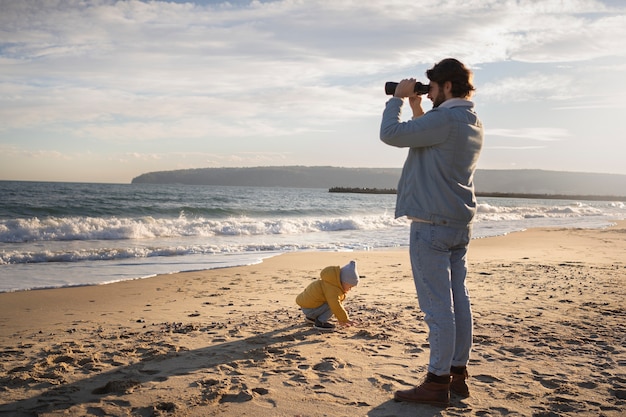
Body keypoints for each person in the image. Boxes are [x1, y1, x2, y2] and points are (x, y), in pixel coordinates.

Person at [379, 58, 484, 407]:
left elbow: (390, 135)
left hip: (431, 226)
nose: (431, 93)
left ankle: (436, 381)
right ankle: (457, 373)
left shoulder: (446, 119)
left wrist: (396, 99)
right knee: (458, 301)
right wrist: (416, 105)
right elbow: (430, 140)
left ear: (448, 87)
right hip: (457, 223)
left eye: (433, 88)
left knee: (438, 307)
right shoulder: (469, 121)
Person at [295, 260, 359, 331]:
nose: (350, 289)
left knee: (332, 303)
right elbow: (335, 304)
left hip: (308, 307)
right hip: (310, 309)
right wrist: (344, 319)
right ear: (343, 282)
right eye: (349, 287)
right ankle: (320, 322)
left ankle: (311, 318)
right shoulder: (332, 288)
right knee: (332, 304)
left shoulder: (330, 283)